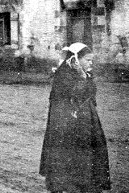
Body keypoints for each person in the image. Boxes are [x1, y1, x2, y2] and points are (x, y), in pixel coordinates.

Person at [40, 43, 110, 193]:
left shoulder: (85, 74)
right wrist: (81, 77)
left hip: (86, 119)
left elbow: (92, 92)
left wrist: (83, 76)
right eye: (88, 60)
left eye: (92, 61)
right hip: (67, 122)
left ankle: (88, 183)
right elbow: (72, 96)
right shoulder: (63, 74)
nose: (90, 63)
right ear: (76, 59)